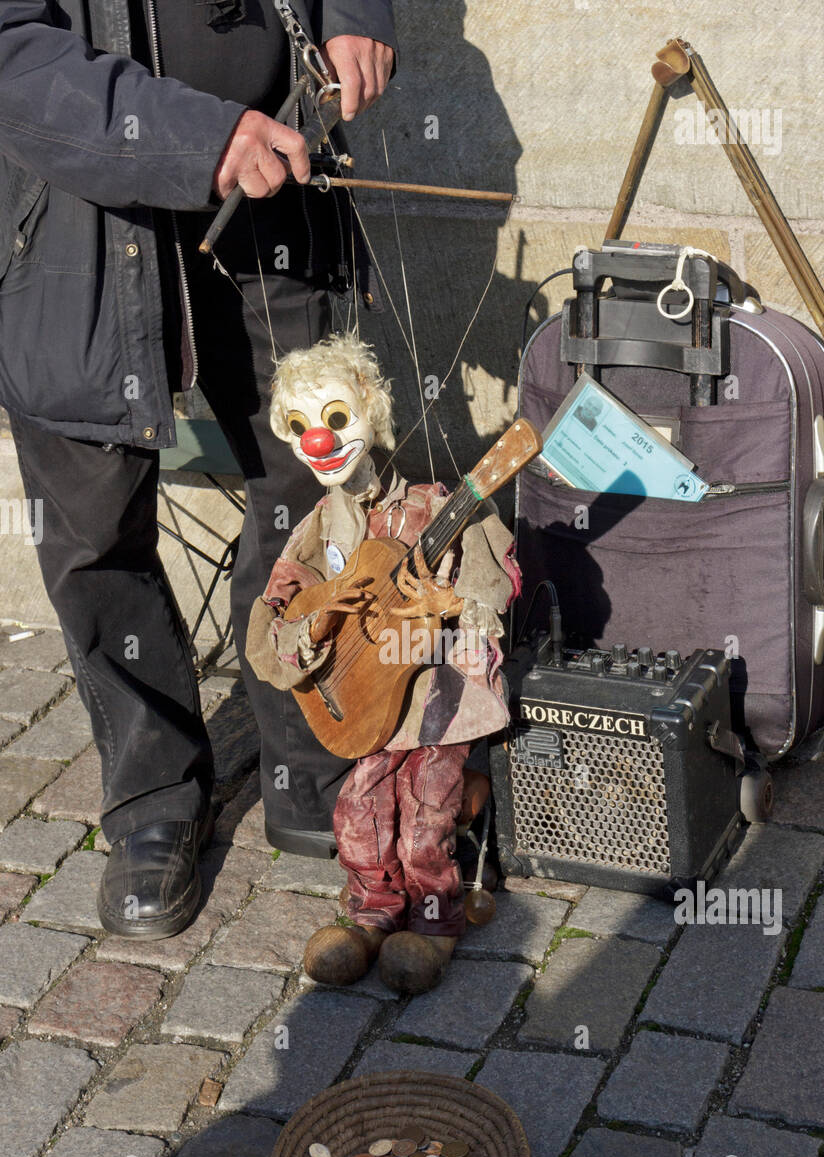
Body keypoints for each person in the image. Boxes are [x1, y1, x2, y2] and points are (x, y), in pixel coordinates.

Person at [0, 1, 396, 940]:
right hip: (68, 223)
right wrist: (194, 136)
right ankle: (153, 796)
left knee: (309, 487)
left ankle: (311, 754)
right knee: (94, 535)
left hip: (278, 187)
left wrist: (352, 9)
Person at [246, 334, 521, 995]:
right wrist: (311, 629)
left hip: (436, 688)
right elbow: (276, 612)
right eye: (299, 426)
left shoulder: (437, 505)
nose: (319, 441)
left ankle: (433, 918)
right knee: (360, 805)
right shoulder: (319, 528)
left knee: (426, 805)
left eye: (335, 418)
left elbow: (497, 579)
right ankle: (372, 912)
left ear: (370, 408)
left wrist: (454, 601)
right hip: (369, 698)